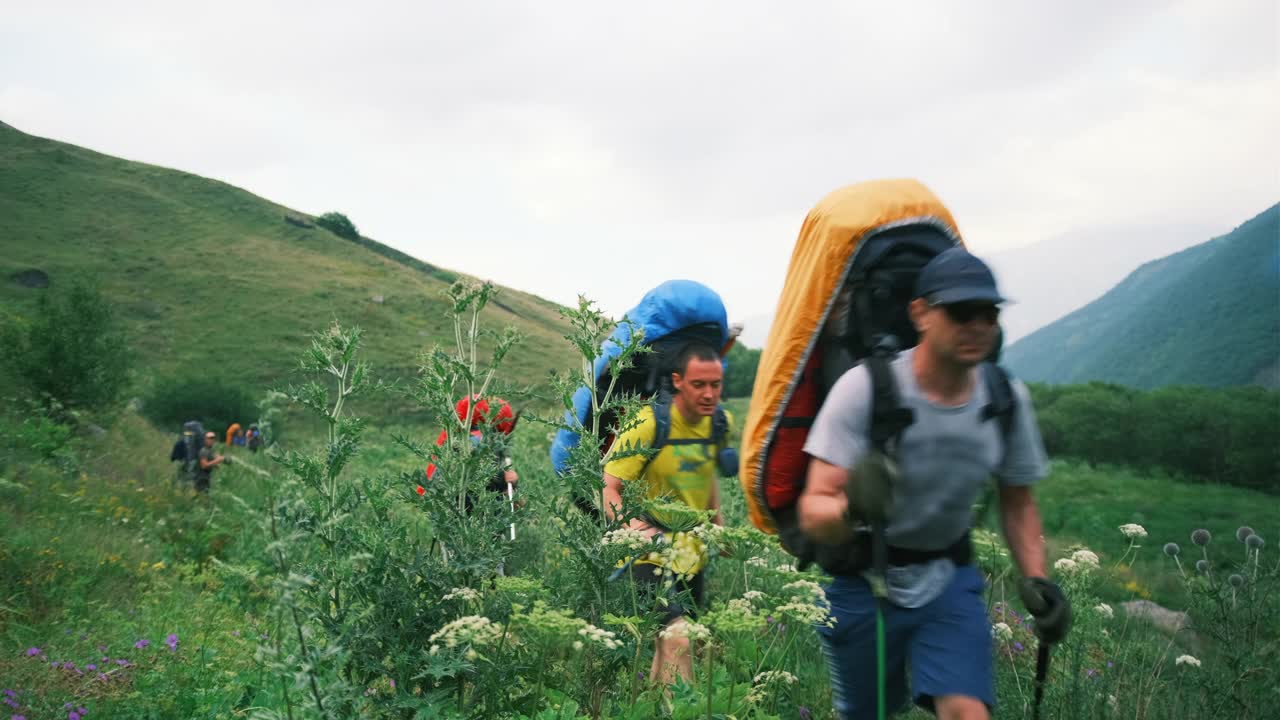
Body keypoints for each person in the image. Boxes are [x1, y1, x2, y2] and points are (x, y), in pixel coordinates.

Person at [797, 247, 1070, 720]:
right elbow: (813, 510)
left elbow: (1019, 502)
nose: (979, 325)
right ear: (919, 314)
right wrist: (853, 508)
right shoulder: (866, 390)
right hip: (865, 582)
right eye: (962, 312)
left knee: (967, 710)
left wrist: (1037, 579)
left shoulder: (1006, 398)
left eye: (990, 313)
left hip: (949, 580)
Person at [601, 343, 734, 687]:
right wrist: (633, 530)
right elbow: (609, 487)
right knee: (679, 636)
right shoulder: (647, 424)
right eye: (698, 384)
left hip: (692, 552)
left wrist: (720, 529)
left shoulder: (718, 422)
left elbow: (707, 480)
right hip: (649, 552)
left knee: (671, 643)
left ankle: (657, 706)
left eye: (715, 385)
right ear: (677, 381)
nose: (709, 394)